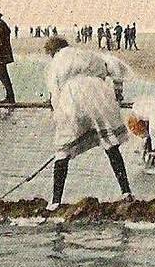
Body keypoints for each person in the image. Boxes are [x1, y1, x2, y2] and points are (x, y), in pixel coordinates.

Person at [42, 37, 132, 211]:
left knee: (62, 151)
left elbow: (55, 91)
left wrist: (57, 112)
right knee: (110, 144)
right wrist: (118, 92)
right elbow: (114, 67)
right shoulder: (87, 54)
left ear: (53, 52)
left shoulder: (55, 63)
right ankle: (126, 192)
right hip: (99, 94)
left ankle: (55, 201)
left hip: (74, 97)